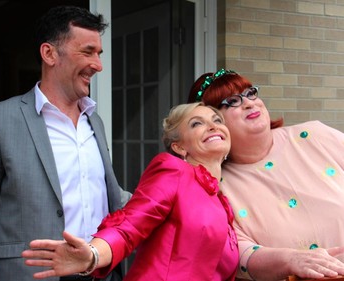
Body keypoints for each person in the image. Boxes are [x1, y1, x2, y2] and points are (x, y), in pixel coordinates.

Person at [0, 5, 131, 281]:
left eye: (99, 54)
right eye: (87, 52)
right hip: (29, 275)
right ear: (49, 53)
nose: (98, 65)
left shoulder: (95, 121)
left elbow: (109, 193)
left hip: (100, 273)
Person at [22, 102, 238, 281]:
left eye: (217, 120)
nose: (213, 126)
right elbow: (130, 225)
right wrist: (93, 256)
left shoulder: (221, 202)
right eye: (197, 123)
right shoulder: (174, 171)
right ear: (179, 147)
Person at [187, 69, 344, 281]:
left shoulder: (315, 135)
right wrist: (291, 260)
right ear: (212, 123)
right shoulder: (214, 186)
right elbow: (239, 256)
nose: (250, 103)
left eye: (251, 93)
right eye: (232, 101)